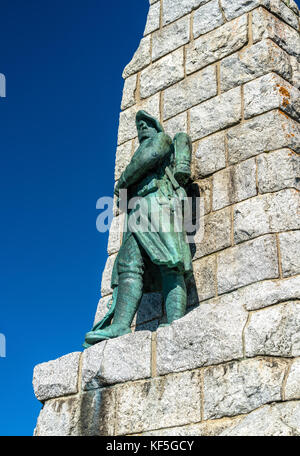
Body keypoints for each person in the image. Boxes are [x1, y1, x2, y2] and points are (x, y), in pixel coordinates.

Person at [84, 111, 192, 347]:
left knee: (171, 261)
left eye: (146, 123)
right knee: (128, 264)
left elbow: (149, 158)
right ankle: (121, 325)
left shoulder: (160, 140)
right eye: (138, 125)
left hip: (157, 202)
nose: (141, 126)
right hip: (138, 209)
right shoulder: (142, 148)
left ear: (155, 125)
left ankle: (175, 320)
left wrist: (123, 180)